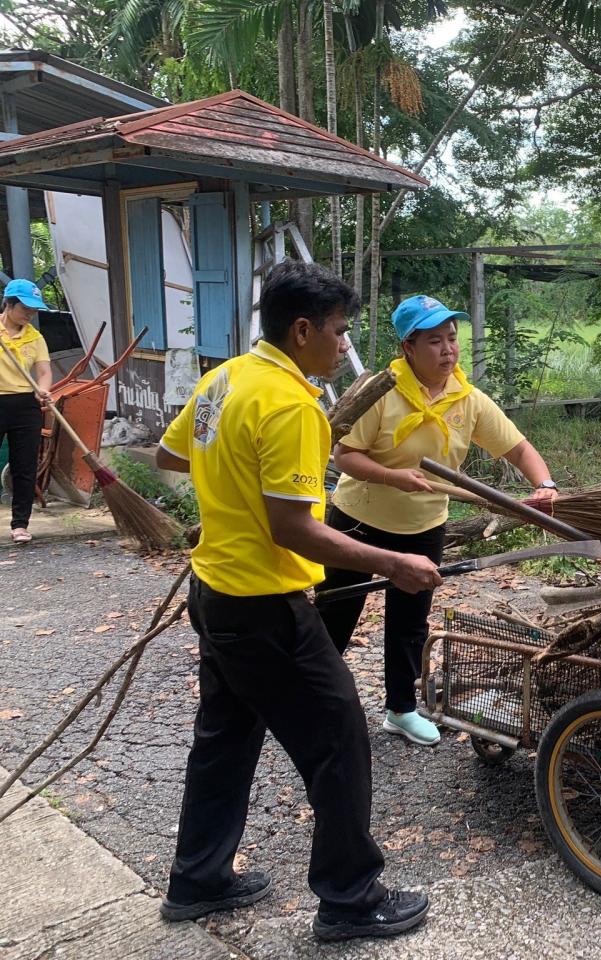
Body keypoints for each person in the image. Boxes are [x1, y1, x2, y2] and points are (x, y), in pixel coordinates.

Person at [155, 261, 441, 942]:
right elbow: (295, 528)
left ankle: (197, 880)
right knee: (340, 737)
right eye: (340, 332)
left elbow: (172, 458)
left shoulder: (224, 378)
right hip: (264, 606)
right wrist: (393, 561)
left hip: (214, 593)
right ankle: (349, 898)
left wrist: (227, 493)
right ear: (303, 328)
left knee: (223, 740)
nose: (345, 346)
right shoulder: (290, 404)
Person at [317, 294, 558, 747]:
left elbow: (518, 448)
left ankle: (401, 709)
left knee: (410, 620)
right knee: (337, 612)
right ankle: (309, 700)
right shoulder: (381, 392)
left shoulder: (466, 399)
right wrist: (393, 477)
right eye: (434, 341)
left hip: (423, 526)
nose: (448, 349)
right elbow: (344, 454)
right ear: (408, 347)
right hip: (358, 520)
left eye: (452, 338)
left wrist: (546, 483)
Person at [0, 279, 53, 544]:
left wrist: (43, 389)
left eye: (33, 310)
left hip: (25, 405)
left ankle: (20, 524)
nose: (29, 314)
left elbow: (44, 372)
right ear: (8, 304)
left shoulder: (35, 337)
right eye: (25, 308)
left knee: (25, 465)